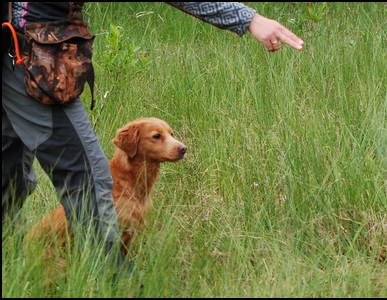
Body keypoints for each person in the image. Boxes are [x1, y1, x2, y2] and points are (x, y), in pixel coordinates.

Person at [2, 1, 304, 276]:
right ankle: (118, 279)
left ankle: (14, 265)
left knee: (10, 173)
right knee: (88, 178)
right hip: (31, 62)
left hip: (31, 57)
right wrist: (248, 18)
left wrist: (244, 17)